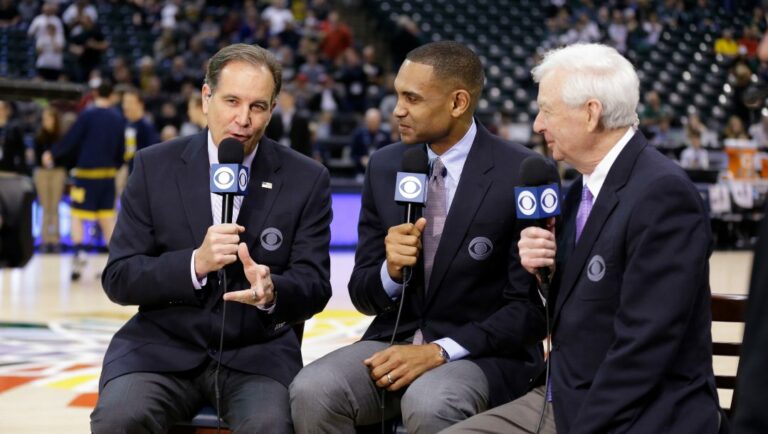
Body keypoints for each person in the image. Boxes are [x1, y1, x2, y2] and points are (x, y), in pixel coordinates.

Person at [444, 42, 721, 434]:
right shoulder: (578, 192)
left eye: (547, 111)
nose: (538, 125)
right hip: (564, 397)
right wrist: (544, 275)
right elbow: (567, 309)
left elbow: (646, 347)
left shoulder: (663, 195)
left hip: (637, 413)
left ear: (591, 114)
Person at [290, 41, 546, 434]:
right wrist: (390, 271)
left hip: (482, 353)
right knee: (312, 390)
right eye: (397, 95)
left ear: (458, 102)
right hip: (395, 340)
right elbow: (362, 294)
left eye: (412, 98)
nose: (397, 110)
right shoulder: (385, 165)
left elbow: (527, 312)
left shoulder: (522, 171)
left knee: (430, 403)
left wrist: (439, 351)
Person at [90, 43, 332, 434]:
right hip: (160, 349)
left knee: (273, 426)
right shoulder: (154, 166)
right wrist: (195, 263)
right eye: (231, 101)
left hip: (258, 356)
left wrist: (273, 292)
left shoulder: (307, 179)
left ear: (272, 111)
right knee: (119, 417)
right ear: (206, 97)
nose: (243, 119)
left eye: (257, 106)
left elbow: (316, 285)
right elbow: (119, 277)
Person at [44, 81, 124, 281]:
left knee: (77, 216)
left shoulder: (87, 115)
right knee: (107, 218)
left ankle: (79, 253)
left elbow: (72, 140)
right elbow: (121, 150)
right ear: (112, 94)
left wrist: (53, 154)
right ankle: (115, 260)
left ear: (95, 93)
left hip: (86, 176)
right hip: (107, 176)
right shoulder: (117, 117)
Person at [33, 106, 67, 253]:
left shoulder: (61, 137)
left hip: (57, 171)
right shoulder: (39, 136)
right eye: (44, 118)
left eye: (49, 118)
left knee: (55, 205)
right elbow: (35, 158)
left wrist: (54, 157)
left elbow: (66, 156)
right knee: (45, 206)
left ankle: (56, 239)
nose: (46, 121)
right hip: (42, 172)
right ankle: (45, 239)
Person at [350, 107, 389, 175]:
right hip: (362, 171)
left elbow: (389, 156)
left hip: (381, 171)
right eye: (371, 121)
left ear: (379, 121)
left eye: (375, 121)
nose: (373, 123)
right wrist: (361, 159)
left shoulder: (385, 135)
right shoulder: (358, 135)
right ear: (366, 121)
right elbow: (352, 155)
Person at [0, 100, 27, 175]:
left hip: (10, 168)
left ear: (7, 110)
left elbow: (21, 150)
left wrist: (21, 168)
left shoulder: (14, 128)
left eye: (1, 109)